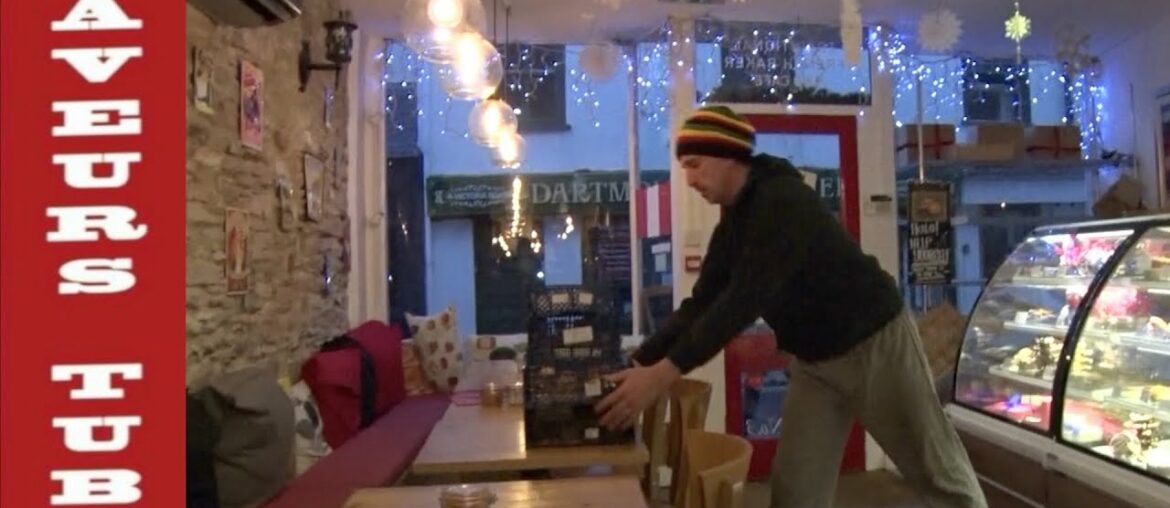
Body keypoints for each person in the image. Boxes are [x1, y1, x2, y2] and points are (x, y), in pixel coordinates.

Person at [595, 105, 987, 508]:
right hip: (816, 363)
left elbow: (742, 301)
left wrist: (663, 375)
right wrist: (638, 365)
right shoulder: (734, 220)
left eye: (695, 164)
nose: (689, 178)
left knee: (938, 473)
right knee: (796, 494)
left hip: (875, 344)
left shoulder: (781, 200)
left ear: (728, 154)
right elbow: (702, 303)